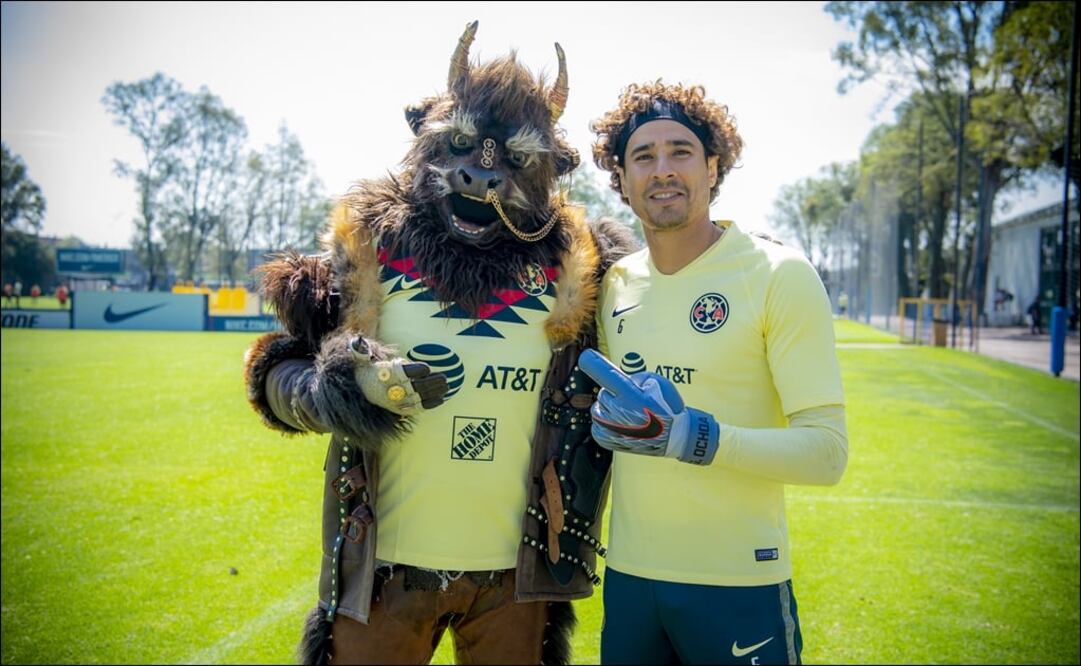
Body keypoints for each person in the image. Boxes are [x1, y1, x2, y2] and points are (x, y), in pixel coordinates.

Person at [242, 22, 635, 665]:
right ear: (426, 136)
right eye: (460, 147)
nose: (482, 177)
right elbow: (272, 370)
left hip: (518, 580)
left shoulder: (580, 267)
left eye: (516, 160)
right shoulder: (370, 246)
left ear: (550, 170)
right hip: (384, 575)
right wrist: (335, 386)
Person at [583, 81, 849, 665]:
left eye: (680, 151)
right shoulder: (613, 285)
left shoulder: (778, 274)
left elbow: (827, 453)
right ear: (621, 180)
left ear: (713, 165)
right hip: (630, 580)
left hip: (738, 583)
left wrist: (696, 438)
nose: (662, 170)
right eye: (643, 157)